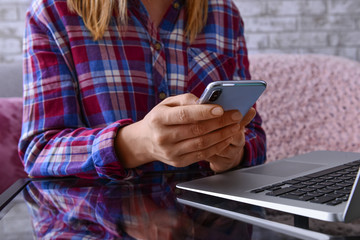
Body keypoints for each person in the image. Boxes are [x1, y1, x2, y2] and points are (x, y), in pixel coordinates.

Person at [19, 0, 266, 180]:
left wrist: (233, 155)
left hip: (206, 221)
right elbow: (39, 152)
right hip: (98, 222)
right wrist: (137, 144)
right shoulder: (53, 14)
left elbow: (254, 136)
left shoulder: (225, 14)